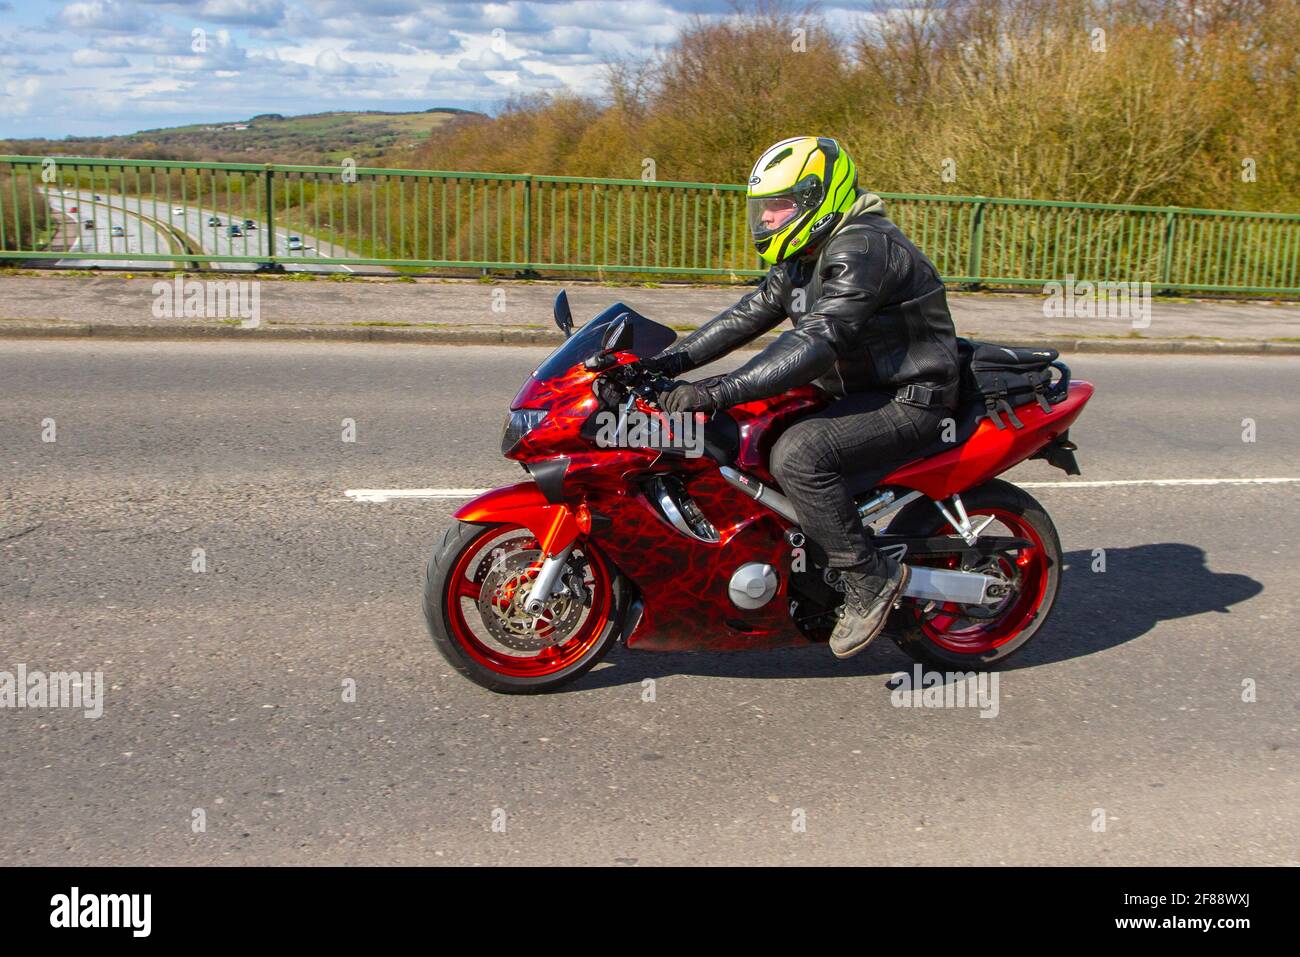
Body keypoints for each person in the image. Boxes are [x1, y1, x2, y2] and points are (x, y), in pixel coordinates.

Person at [644, 136, 960, 659]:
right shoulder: (805, 253)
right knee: (741, 434)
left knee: (800, 455)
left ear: (821, 197)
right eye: (763, 208)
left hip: (909, 397)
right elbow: (748, 315)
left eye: (780, 205)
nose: (767, 219)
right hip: (853, 392)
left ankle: (868, 579)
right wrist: (665, 364)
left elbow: (817, 341)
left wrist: (714, 391)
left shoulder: (861, 248)